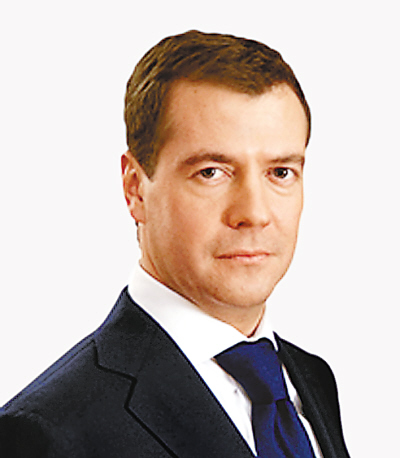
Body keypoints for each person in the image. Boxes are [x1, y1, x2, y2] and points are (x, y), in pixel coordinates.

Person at [0, 30, 350, 457]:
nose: (255, 213)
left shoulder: (310, 379)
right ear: (135, 188)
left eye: (280, 173)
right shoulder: (46, 433)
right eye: (211, 172)